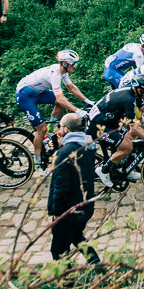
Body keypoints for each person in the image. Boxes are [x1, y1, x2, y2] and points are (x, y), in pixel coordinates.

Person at [16, 51, 95, 164]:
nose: (75, 66)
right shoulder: (54, 74)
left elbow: (71, 88)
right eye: (73, 64)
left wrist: (88, 101)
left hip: (37, 92)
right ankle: (37, 162)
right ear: (64, 64)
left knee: (60, 104)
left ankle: (49, 132)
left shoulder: (63, 71)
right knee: (41, 129)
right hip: (25, 95)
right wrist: (78, 111)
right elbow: (60, 98)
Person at [47, 113, 101, 265]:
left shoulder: (64, 153)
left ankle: (67, 279)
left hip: (69, 210)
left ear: (66, 129)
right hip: (85, 204)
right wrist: (60, 149)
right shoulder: (88, 145)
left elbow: (61, 186)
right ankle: (97, 265)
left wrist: (56, 211)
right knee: (77, 237)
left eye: (60, 127)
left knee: (58, 251)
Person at [92, 73, 144, 186]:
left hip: (109, 121)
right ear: (140, 90)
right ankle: (103, 171)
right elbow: (134, 128)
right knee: (128, 146)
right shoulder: (129, 99)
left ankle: (127, 169)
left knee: (131, 139)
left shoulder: (134, 92)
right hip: (98, 126)